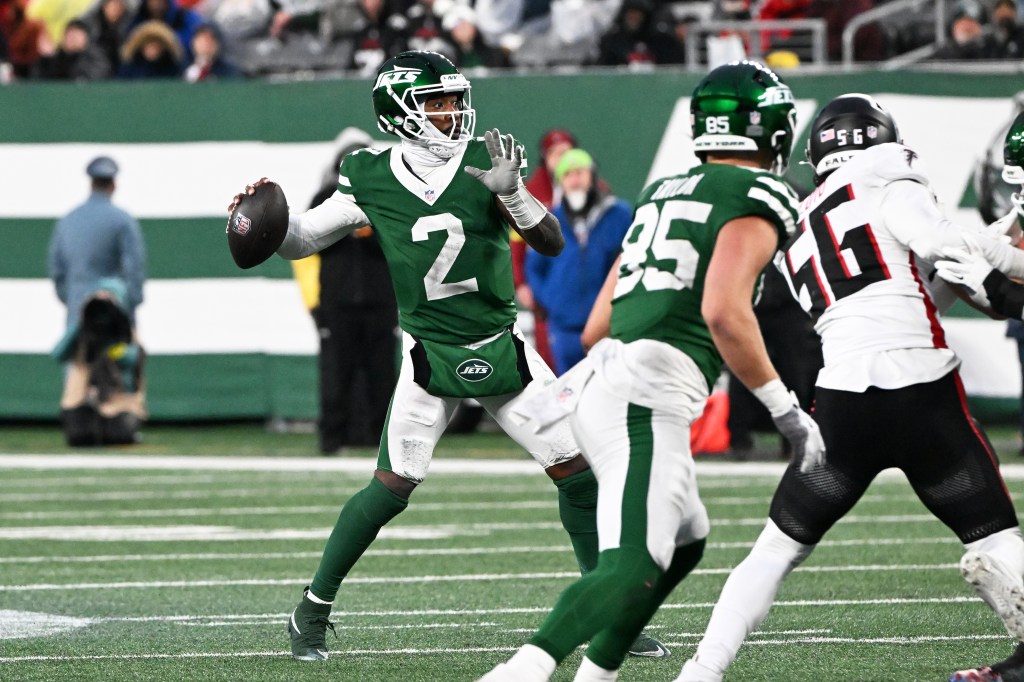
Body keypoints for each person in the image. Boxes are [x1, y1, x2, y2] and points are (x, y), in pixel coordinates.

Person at [226, 50, 668, 662]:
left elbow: (552, 242)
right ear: (400, 112)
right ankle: (311, 609)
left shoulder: (487, 163)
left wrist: (513, 196)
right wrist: (262, 219)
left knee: (576, 473)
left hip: (501, 345)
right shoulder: (369, 173)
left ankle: (605, 612)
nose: (452, 111)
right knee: (391, 487)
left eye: (455, 98)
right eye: (436, 101)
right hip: (429, 352)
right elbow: (301, 238)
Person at [480, 60, 825, 682]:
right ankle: (520, 671)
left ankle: (599, 671)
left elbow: (593, 327)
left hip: (599, 378)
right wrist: (785, 410)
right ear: (769, 128)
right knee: (633, 562)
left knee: (688, 539)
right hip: (645, 390)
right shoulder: (762, 193)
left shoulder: (666, 189)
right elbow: (724, 312)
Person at [675, 94, 1024, 682]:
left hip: (840, 402)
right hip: (919, 393)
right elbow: (942, 248)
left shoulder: (802, 219)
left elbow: (918, 286)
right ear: (882, 138)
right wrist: (999, 266)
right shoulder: (888, 173)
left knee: (775, 549)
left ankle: (702, 669)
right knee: (995, 534)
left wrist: (990, 250)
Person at [295, 126, 398, 453]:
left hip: (380, 301)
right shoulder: (324, 197)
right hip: (338, 301)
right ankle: (332, 437)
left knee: (383, 373)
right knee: (335, 372)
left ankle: (384, 441)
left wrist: (374, 232)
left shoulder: (389, 197)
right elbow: (307, 243)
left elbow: (402, 242)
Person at [525, 148, 632, 375]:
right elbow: (534, 268)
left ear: (592, 176)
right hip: (564, 327)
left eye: (580, 173)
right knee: (567, 392)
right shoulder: (547, 219)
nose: (574, 180)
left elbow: (632, 261)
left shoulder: (618, 214)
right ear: (559, 182)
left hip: (607, 324)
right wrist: (553, 302)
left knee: (607, 390)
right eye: (567, 174)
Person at [49, 155, 146, 329]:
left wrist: (72, 298)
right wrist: (129, 303)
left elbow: (57, 271)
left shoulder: (69, 221)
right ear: (113, 184)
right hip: (114, 317)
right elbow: (134, 270)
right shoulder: (122, 221)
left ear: (91, 183)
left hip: (77, 317)